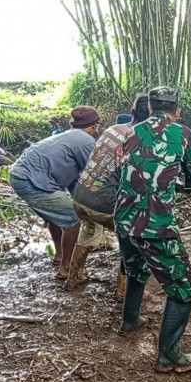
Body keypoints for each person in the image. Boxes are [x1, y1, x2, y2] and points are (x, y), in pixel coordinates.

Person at [114, 86, 191, 372]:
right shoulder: (182, 133)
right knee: (185, 289)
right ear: (177, 111)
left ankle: (130, 321)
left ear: (150, 109)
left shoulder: (132, 131)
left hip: (123, 217)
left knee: (135, 269)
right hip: (155, 223)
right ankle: (168, 355)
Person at [65, 96, 150, 292]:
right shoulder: (137, 139)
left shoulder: (113, 129)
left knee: (89, 229)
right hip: (102, 203)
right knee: (134, 234)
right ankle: (124, 289)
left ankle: (73, 276)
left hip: (80, 197)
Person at [10, 106, 100, 280]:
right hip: (33, 181)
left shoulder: (67, 135)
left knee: (57, 216)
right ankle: (66, 268)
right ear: (95, 126)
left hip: (19, 175)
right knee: (73, 220)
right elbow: (92, 176)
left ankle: (60, 256)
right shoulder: (86, 141)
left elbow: (75, 181)